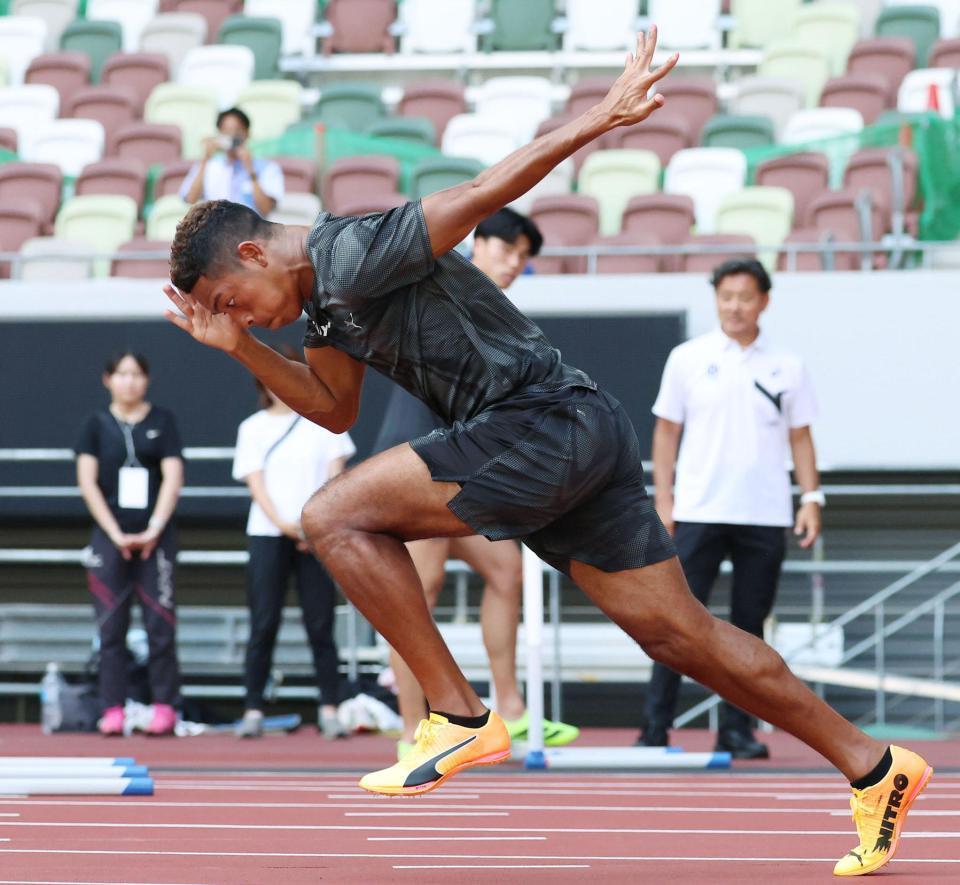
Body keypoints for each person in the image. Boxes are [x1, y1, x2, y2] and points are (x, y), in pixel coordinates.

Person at [162, 29, 932, 876]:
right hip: (571, 431)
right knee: (684, 637)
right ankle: (874, 765)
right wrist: (237, 349)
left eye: (235, 303)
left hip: (541, 420)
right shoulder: (320, 312)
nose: (245, 317)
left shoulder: (347, 249)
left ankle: (458, 714)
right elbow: (335, 411)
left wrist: (601, 116)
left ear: (251, 251)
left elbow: (487, 190)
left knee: (330, 514)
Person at [372, 208, 579, 758]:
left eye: (523, 258)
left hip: (459, 461)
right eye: (507, 251)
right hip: (413, 460)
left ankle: (508, 706)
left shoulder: (496, 307)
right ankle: (414, 729)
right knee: (420, 590)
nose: (515, 264)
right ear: (478, 244)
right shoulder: (444, 284)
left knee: (505, 567)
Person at [638, 258, 823, 759]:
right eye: (726, 297)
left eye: (745, 297)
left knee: (748, 628)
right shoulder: (687, 358)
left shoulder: (788, 365)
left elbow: (801, 437)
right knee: (675, 622)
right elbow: (665, 431)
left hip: (764, 514)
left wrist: (810, 498)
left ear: (764, 300)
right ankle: (655, 727)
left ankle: (736, 731)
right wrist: (665, 497)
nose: (735, 306)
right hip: (698, 509)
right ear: (715, 299)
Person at [232, 346, 356, 739]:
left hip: (316, 537)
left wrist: (311, 525)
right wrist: (288, 525)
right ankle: (252, 707)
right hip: (268, 535)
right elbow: (257, 485)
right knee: (263, 622)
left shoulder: (326, 424)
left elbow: (336, 480)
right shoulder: (251, 428)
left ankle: (330, 707)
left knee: (320, 624)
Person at [75, 351, 184, 736]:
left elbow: (173, 477)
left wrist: (154, 527)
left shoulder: (163, 421)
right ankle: (113, 708)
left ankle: (165, 706)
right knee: (110, 628)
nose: (130, 382)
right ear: (108, 379)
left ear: (147, 379)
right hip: (110, 540)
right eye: (122, 374)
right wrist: (114, 532)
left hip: (157, 541)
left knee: (161, 626)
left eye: (137, 374)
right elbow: (87, 482)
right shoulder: (95, 425)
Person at [181, 107, 284, 218]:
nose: (231, 136)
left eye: (237, 131)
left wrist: (250, 170)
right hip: (216, 230)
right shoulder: (209, 165)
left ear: (247, 133)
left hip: (252, 230)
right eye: (226, 131)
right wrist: (206, 158)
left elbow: (266, 209)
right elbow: (191, 199)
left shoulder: (268, 168)